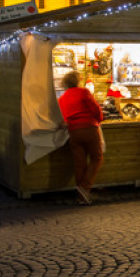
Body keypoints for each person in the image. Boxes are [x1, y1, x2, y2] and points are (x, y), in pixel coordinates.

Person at [57, 71, 104, 205]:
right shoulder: (84, 92)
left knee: (79, 163)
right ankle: (85, 188)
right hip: (89, 129)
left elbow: (63, 116)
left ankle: (82, 196)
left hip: (74, 131)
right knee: (97, 158)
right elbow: (95, 109)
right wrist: (99, 120)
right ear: (78, 81)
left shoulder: (62, 98)